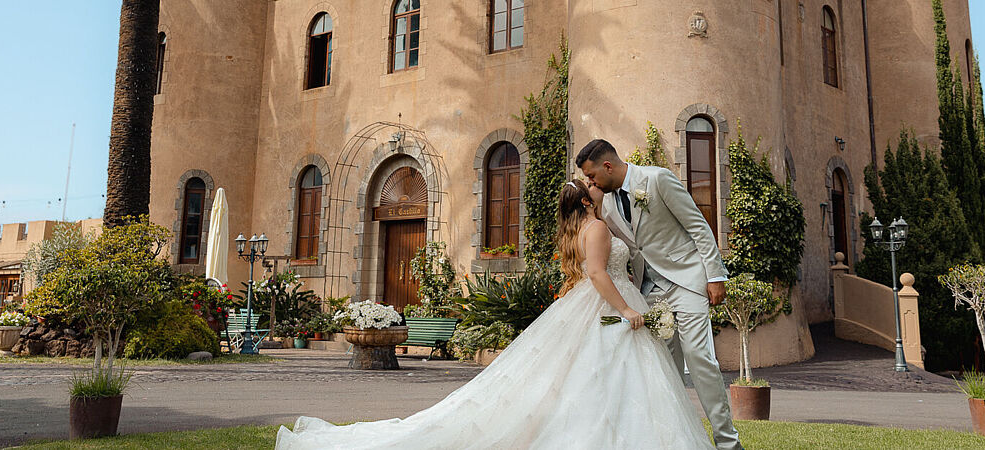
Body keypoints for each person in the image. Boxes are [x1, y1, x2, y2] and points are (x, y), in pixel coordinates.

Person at [274, 179, 715, 449]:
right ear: (585, 201)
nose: (600, 188)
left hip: (600, 308)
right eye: (594, 188)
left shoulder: (588, 226)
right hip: (610, 307)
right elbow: (599, 273)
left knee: (597, 379)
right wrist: (626, 311)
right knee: (607, 379)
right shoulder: (597, 226)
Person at [576, 138, 743, 450]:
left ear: (608, 166)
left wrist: (715, 275)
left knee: (699, 357)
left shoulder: (657, 179)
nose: (590, 182)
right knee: (664, 367)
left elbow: (698, 226)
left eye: (592, 176)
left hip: (687, 280)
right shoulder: (608, 205)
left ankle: (728, 443)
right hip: (649, 291)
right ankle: (676, 441)